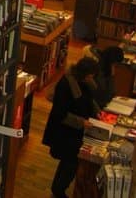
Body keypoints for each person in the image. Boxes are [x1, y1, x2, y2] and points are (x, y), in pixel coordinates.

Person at [42, 57, 100, 198]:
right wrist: (81, 122)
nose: (91, 78)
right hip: (65, 132)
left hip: (74, 132)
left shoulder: (83, 82)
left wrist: (96, 111)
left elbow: (89, 100)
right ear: (84, 74)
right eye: (90, 75)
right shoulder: (66, 85)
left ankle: (58, 188)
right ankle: (59, 190)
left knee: (68, 161)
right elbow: (60, 113)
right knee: (71, 162)